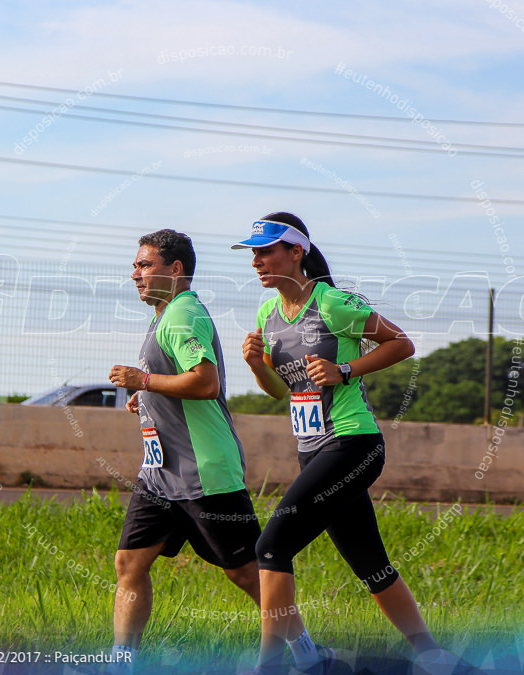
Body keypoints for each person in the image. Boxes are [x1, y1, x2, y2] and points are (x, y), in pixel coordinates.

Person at [233, 213, 458, 675]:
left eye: (266, 251)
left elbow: (402, 343)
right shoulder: (267, 314)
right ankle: (433, 656)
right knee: (370, 563)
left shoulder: (333, 302)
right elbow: (280, 391)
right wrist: (258, 366)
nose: (257, 261)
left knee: (271, 547)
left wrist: (346, 370)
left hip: (353, 444)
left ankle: (270, 666)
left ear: (297, 252)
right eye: (252, 254)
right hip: (312, 449)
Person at [106, 229, 319, 674]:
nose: (135, 275)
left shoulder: (183, 315)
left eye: (144, 265)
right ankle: (122, 663)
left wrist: (141, 382)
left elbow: (205, 383)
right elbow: (172, 379)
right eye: (135, 266)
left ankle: (308, 653)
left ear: (175, 269)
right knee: (130, 562)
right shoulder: (165, 314)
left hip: (205, 472)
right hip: (160, 473)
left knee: (245, 573)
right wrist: (146, 396)